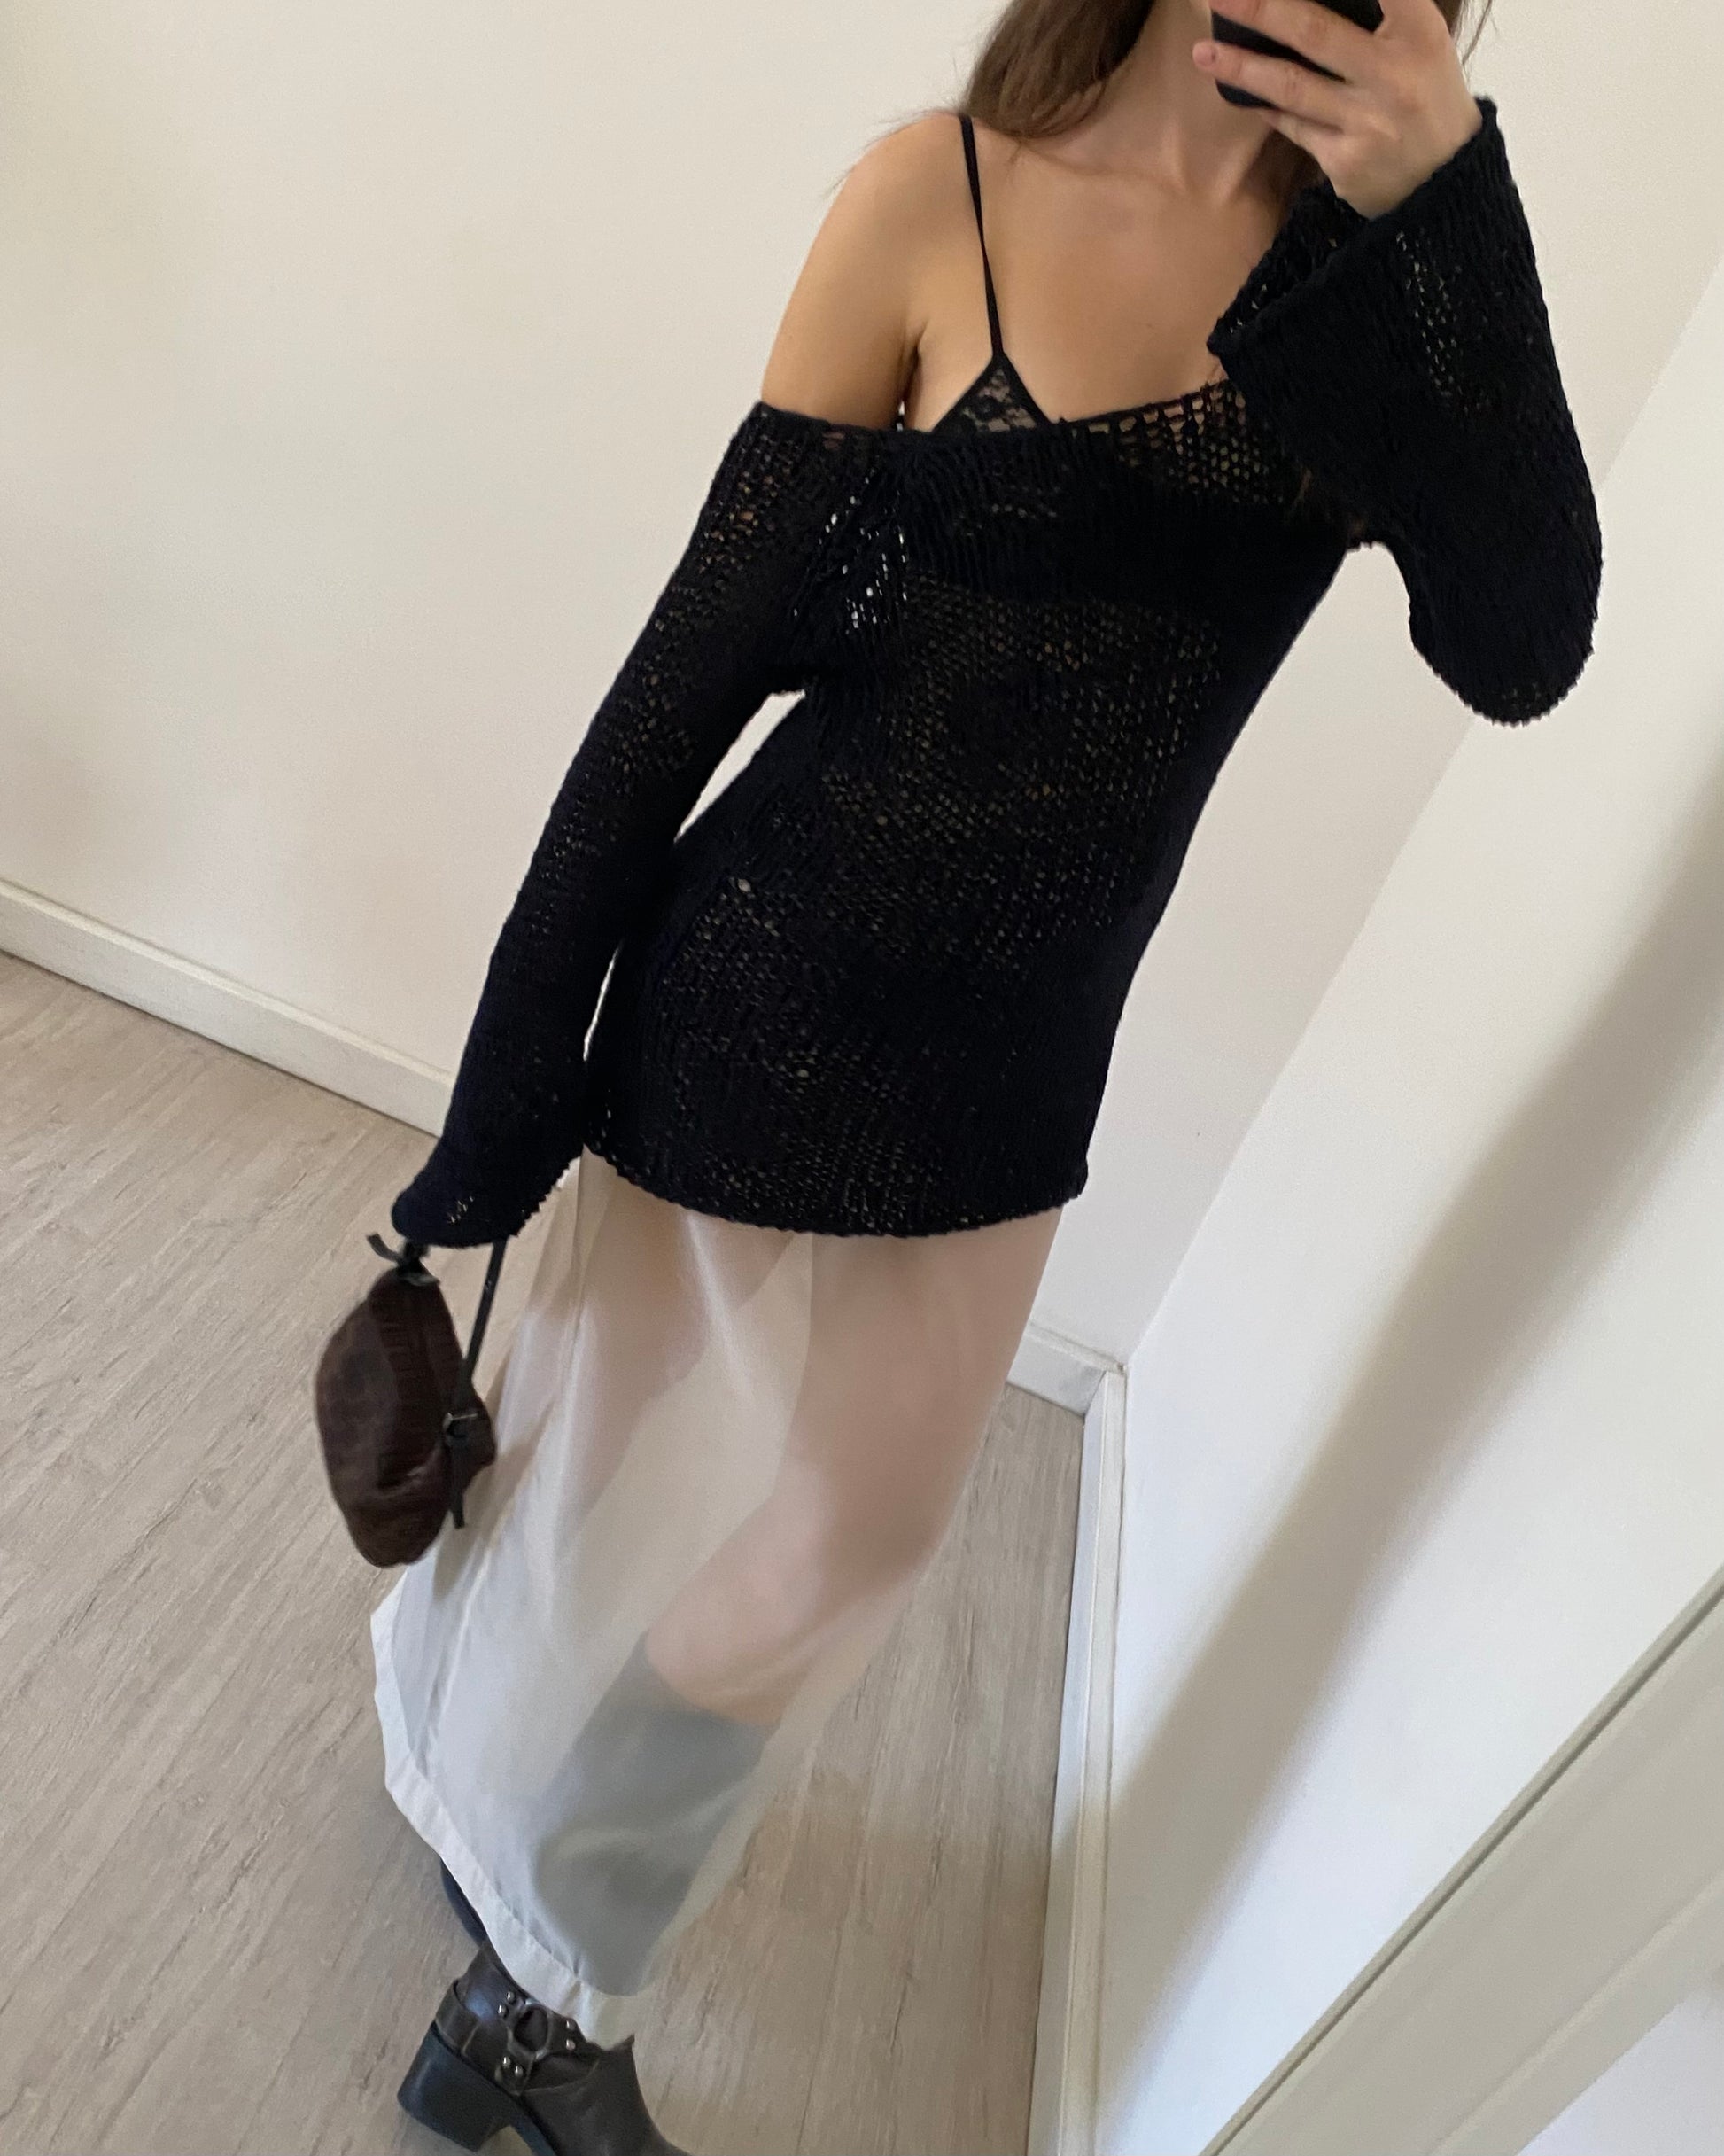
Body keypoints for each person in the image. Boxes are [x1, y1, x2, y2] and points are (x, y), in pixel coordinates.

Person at [369, 0, 1602, 2148]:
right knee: (581, 1448)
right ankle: (472, 1814)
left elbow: (1525, 642)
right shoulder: (930, 197)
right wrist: (497, 1108)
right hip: (759, 978)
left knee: (847, 1536)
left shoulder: (1376, 285)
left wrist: (1449, 202)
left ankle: (537, 1975)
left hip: (1016, 1056)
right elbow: (681, 683)